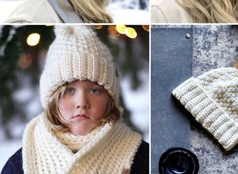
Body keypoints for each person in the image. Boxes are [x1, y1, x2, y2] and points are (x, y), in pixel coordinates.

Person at [1, 25, 149, 173]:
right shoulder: (20, 165)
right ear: (52, 99)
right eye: (68, 90)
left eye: (94, 90)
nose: (82, 103)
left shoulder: (142, 158)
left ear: (109, 98)